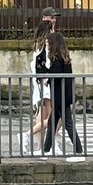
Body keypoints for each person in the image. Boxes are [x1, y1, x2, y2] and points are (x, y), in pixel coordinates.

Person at [39, 31, 84, 159]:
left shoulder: (57, 58)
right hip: (62, 94)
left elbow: (57, 75)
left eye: (48, 44)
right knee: (52, 123)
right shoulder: (63, 56)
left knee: (68, 124)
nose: (47, 46)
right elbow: (55, 73)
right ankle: (46, 150)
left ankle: (79, 151)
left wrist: (47, 75)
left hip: (60, 96)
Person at [24, 21, 53, 155]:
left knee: (43, 115)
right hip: (46, 83)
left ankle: (42, 146)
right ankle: (30, 136)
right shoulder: (46, 46)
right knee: (53, 117)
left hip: (41, 84)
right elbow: (47, 64)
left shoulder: (37, 46)